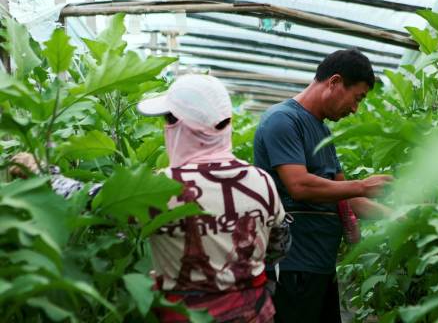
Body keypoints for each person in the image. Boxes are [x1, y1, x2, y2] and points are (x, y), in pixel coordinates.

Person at [253, 49, 393, 323]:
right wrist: (363, 185)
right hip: (292, 266)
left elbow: (348, 197)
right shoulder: (283, 120)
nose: (355, 109)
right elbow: (299, 185)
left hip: (319, 267)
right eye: (357, 98)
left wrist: (400, 216)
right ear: (335, 82)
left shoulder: (322, 130)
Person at [137, 74, 290, 323]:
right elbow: (278, 246)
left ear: (179, 125)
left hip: (186, 315)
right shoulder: (261, 180)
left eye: (168, 119)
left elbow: (92, 206)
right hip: (254, 313)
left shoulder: (159, 187)